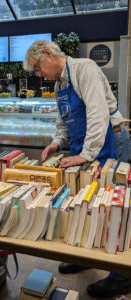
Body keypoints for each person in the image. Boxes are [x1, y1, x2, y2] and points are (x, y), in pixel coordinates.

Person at [23, 40, 131, 299]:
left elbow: (98, 114)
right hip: (85, 149)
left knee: (114, 208)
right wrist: (56, 142)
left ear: (48, 54)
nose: (40, 76)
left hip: (110, 142)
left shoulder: (85, 68)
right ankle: (86, 258)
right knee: (86, 204)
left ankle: (122, 276)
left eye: (38, 69)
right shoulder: (60, 84)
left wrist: (85, 154)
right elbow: (63, 122)